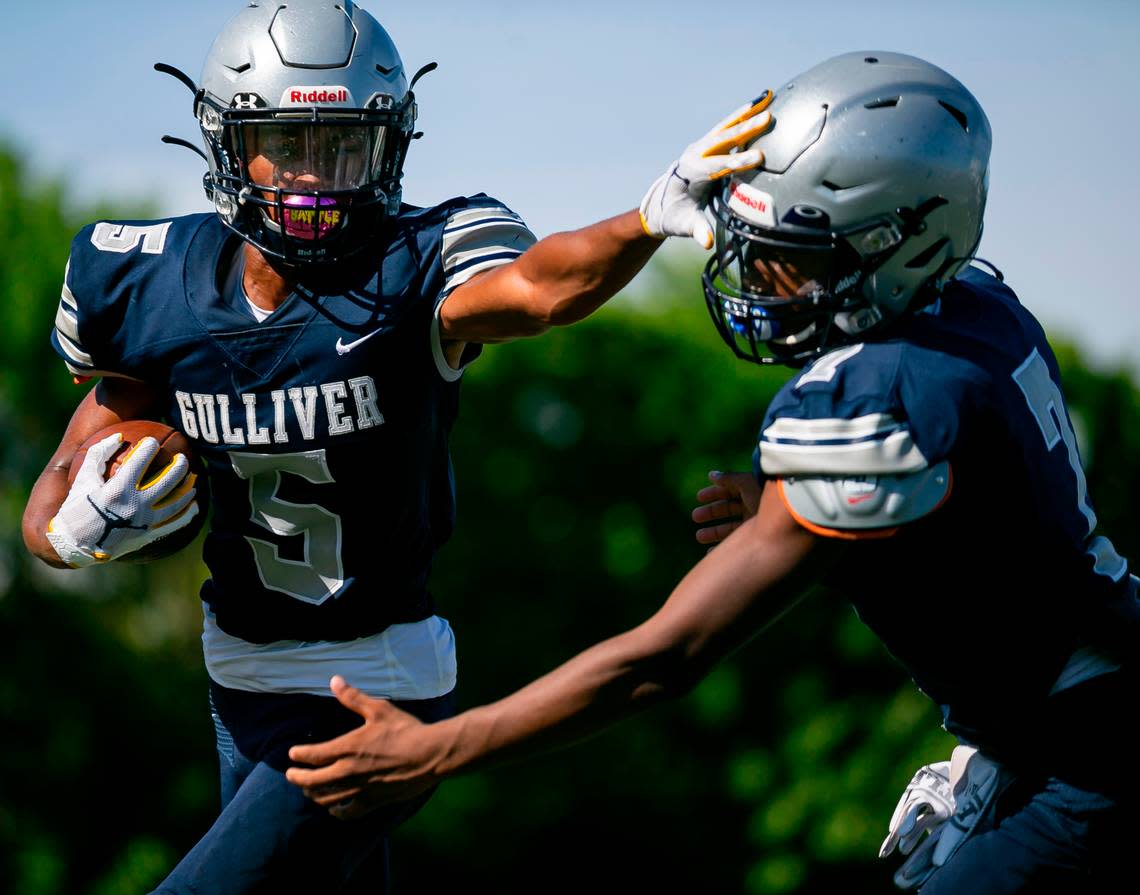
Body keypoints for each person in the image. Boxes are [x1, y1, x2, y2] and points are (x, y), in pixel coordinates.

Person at [285, 51, 1140, 892]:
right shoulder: (980, 313)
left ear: (901, 244)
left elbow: (664, 658)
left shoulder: (882, 391)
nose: (756, 274)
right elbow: (983, 531)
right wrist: (811, 519)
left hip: (1088, 751)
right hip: (1067, 716)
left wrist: (439, 747)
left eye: (794, 249)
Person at [19, 1, 774, 892]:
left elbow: (538, 287)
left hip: (373, 686)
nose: (313, 177)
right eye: (287, 144)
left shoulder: (415, 263)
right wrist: (76, 530)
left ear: (389, 145)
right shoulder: (149, 286)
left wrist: (644, 219)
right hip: (237, 683)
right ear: (226, 144)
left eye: (342, 145)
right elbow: (53, 494)